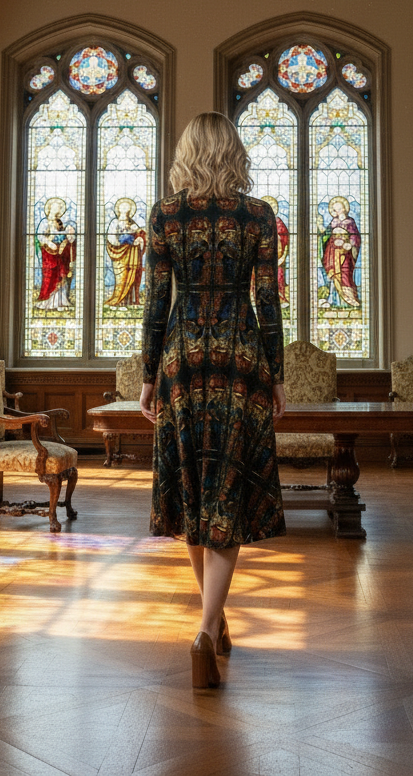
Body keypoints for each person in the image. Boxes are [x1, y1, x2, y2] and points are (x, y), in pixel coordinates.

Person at [140, 112, 286, 690]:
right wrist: (275, 375)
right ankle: (207, 630)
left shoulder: (164, 215)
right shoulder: (258, 216)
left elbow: (155, 304)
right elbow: (268, 302)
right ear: (234, 153)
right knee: (224, 489)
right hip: (238, 358)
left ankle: (212, 622)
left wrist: (150, 375)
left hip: (181, 359)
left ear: (186, 154)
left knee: (196, 492)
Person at [318, 195, 361, 308]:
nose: (337, 211)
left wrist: (350, 244)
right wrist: (320, 227)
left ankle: (349, 299)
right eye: (335, 209)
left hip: (345, 252)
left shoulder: (350, 222)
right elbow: (326, 235)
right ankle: (333, 299)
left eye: (339, 208)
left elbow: (355, 237)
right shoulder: (333, 222)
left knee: (345, 273)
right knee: (333, 274)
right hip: (332, 251)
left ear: (345, 208)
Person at [104, 197, 146, 307]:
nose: (125, 208)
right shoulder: (115, 222)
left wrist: (140, 238)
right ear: (118, 209)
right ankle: (119, 301)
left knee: (132, 275)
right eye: (122, 206)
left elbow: (140, 235)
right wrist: (122, 240)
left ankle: (130, 301)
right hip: (120, 254)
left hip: (132, 254)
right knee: (121, 278)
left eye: (128, 206)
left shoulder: (133, 223)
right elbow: (111, 238)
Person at [36, 197, 76, 309]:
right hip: (49, 254)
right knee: (51, 275)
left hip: (60, 253)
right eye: (56, 207)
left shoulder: (60, 223)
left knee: (62, 275)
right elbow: (40, 236)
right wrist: (48, 242)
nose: (58, 209)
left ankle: (61, 301)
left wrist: (70, 233)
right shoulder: (45, 222)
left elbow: (67, 238)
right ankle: (48, 302)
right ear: (50, 208)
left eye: (59, 207)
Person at [261, 195, 290, 304]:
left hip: (277, 256)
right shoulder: (258, 221)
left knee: (278, 276)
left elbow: (285, 238)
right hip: (260, 257)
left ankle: (280, 299)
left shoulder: (279, 222)